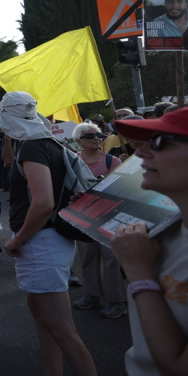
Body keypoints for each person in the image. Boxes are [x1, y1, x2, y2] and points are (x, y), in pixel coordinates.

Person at [0, 91, 97, 376]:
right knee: (43, 316)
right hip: (46, 241)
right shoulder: (46, 141)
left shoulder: (34, 146)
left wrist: (18, 239)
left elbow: (44, 203)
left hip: (41, 242)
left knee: (62, 329)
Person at [110, 107, 188, 376]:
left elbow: (179, 369)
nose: (141, 152)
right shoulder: (166, 230)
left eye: (159, 142)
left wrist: (139, 274)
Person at [70, 122, 126, 319]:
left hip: (108, 216)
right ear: (78, 142)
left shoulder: (113, 162)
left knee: (111, 259)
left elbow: (120, 189)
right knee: (88, 258)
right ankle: (92, 294)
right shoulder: (73, 161)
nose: (97, 138)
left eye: (99, 135)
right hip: (83, 217)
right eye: (90, 136)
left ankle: (117, 301)